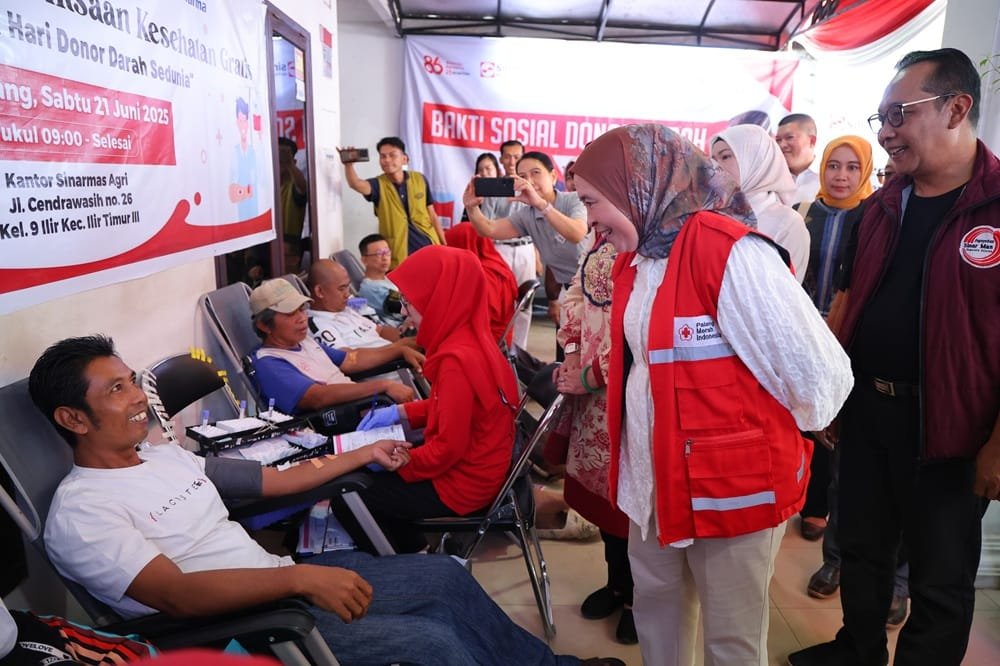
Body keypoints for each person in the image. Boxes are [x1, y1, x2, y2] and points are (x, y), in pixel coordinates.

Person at [28, 336, 623, 666]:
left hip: (280, 578)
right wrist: (301, 582)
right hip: (244, 624)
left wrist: (363, 454)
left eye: (132, 379)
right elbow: (178, 597)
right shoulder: (83, 513)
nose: (137, 397)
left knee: (443, 578)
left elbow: (270, 482)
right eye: (117, 389)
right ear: (72, 417)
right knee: (433, 641)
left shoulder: (160, 456)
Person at [571, 124, 853, 666]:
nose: (591, 222)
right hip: (652, 482)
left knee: (731, 641)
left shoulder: (728, 252)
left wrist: (744, 426)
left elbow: (821, 377)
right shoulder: (641, 258)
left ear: (635, 187)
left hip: (731, 493)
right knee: (658, 615)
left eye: (592, 202)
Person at [788, 47, 1000, 666]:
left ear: (956, 107)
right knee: (861, 549)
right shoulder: (880, 208)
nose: (886, 132)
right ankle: (856, 650)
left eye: (899, 114)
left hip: (953, 431)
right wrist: (829, 392)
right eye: (882, 117)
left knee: (938, 579)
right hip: (868, 414)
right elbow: (849, 302)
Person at [350, 246, 521, 553]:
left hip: (463, 485)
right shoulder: (473, 339)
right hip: (486, 469)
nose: (404, 311)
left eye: (408, 302)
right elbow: (458, 408)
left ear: (439, 300)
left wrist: (397, 463)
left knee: (355, 493)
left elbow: (446, 450)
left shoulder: (457, 361)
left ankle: (415, 564)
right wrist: (402, 413)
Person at [548, 235, 636, 644]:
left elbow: (636, 324)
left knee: (632, 501)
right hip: (591, 392)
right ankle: (617, 582)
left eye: (592, 199)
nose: (590, 214)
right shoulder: (600, 239)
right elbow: (574, 296)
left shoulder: (653, 241)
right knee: (604, 499)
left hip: (629, 393)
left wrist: (592, 375)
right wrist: (570, 353)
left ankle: (640, 598)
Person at [248, 277, 418, 415]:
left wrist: (398, 350)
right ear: (264, 325)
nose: (301, 318)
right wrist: (383, 386)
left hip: (368, 406)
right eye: (290, 313)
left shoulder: (305, 341)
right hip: (348, 421)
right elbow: (318, 397)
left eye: (301, 309)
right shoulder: (269, 362)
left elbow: (351, 360)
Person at [463, 151, 588, 331]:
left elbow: (576, 233)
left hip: (596, 286)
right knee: (569, 348)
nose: (529, 180)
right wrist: (471, 207)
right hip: (569, 289)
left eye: (536, 173)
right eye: (522, 177)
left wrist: (542, 205)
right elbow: (488, 229)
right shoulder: (526, 215)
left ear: (553, 176)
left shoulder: (573, 200)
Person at [711, 124, 810, 281]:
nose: (715, 167)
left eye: (725, 156)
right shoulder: (710, 214)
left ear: (754, 159)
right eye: (713, 159)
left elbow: (787, 292)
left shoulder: (787, 223)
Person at [341, 137, 445, 269]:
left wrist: (442, 244)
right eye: (383, 156)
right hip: (399, 252)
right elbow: (355, 184)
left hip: (428, 246)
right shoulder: (378, 185)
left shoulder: (420, 179)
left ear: (404, 159)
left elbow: (432, 214)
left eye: (392, 155)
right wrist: (349, 165)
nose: (387, 160)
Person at [307, 258, 415, 349]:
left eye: (347, 287)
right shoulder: (318, 324)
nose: (347, 294)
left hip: (399, 359)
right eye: (341, 289)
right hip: (387, 369)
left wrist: (408, 337)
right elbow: (347, 360)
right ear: (319, 291)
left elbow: (380, 331)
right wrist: (398, 349)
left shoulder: (347, 310)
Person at [494, 140, 538, 350]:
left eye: (517, 156)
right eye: (508, 156)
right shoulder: (494, 187)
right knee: (501, 301)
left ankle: (519, 352)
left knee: (525, 302)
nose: (512, 161)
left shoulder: (532, 187)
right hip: (500, 248)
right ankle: (500, 348)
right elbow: (487, 221)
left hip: (526, 249)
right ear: (501, 159)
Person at [444, 223, 518, 344]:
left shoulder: (482, 277)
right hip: (497, 336)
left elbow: (480, 318)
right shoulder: (497, 264)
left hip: (485, 340)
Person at [355, 233, 405, 326]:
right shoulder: (372, 289)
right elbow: (401, 308)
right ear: (364, 260)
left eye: (387, 252)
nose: (385, 258)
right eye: (379, 254)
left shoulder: (385, 278)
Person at [277, 136, 309, 275]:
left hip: (288, 250)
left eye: (282, 160)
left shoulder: (294, 186)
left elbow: (303, 187)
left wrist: (289, 164)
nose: (278, 163)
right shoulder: (264, 186)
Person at [776, 113, 820, 205]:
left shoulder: (827, 179)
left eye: (789, 137)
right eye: (778, 140)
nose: (782, 145)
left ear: (812, 141)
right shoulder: (770, 178)